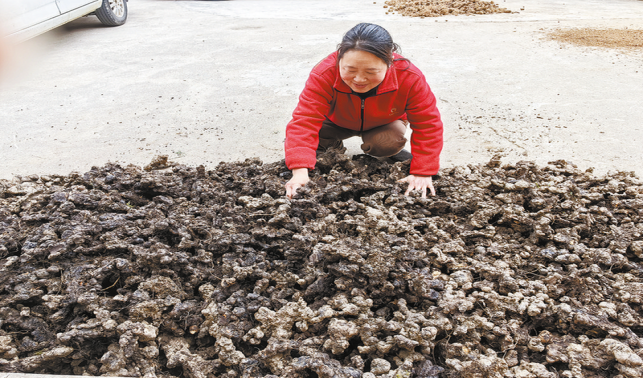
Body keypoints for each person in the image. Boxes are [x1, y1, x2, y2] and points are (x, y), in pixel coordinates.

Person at [284, 23, 443, 199]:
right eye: (349, 70)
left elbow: (428, 123)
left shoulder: (409, 76)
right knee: (305, 142)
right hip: (336, 121)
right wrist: (299, 172)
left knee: (387, 142)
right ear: (339, 59)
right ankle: (333, 147)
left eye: (371, 71)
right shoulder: (324, 73)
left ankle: (389, 151)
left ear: (390, 63)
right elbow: (305, 120)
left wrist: (423, 171)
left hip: (384, 123)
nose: (359, 79)